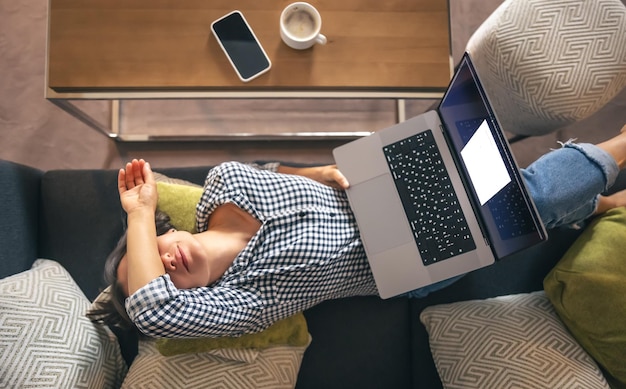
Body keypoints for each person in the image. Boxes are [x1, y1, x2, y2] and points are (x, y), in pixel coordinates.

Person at [88, 126, 626, 339]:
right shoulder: (241, 301)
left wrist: (317, 172)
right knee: (518, 198)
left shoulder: (221, 185)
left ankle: (594, 201)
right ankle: (616, 148)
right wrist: (138, 215)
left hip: (386, 186)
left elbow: (274, 173)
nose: (166, 266)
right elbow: (155, 311)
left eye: (152, 254)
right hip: (408, 257)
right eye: (156, 277)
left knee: (473, 127)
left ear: (163, 235)